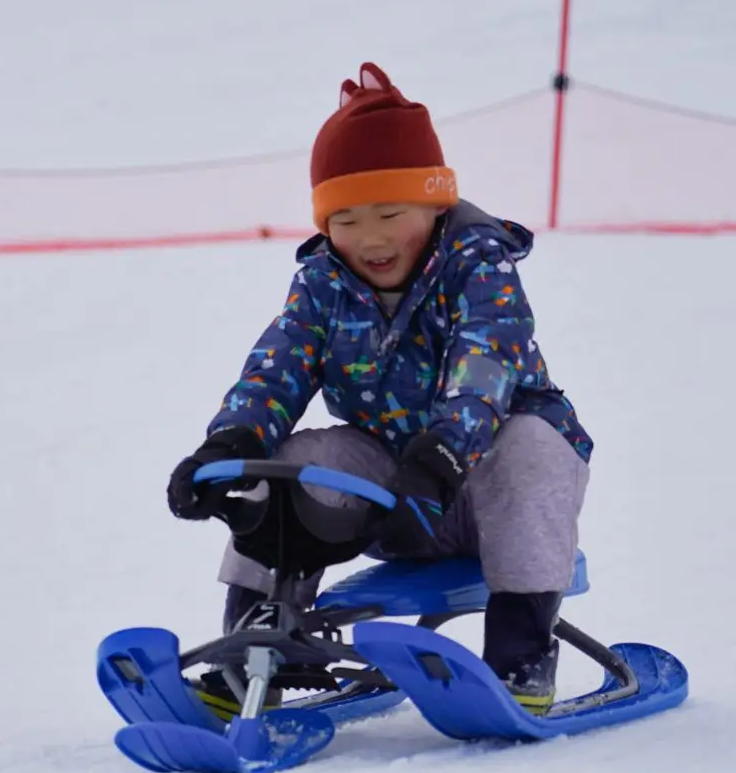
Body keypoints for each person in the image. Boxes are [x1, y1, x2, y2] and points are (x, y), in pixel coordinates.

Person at [166, 62, 593, 715]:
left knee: (530, 444)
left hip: (487, 486)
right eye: (345, 219)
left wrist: (440, 460)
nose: (370, 239)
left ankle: (521, 659)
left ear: (435, 201)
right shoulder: (323, 283)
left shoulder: (479, 267)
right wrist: (227, 446)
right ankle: (252, 650)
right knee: (291, 464)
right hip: (394, 493)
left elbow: (483, 372)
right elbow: (278, 367)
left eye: (390, 212)